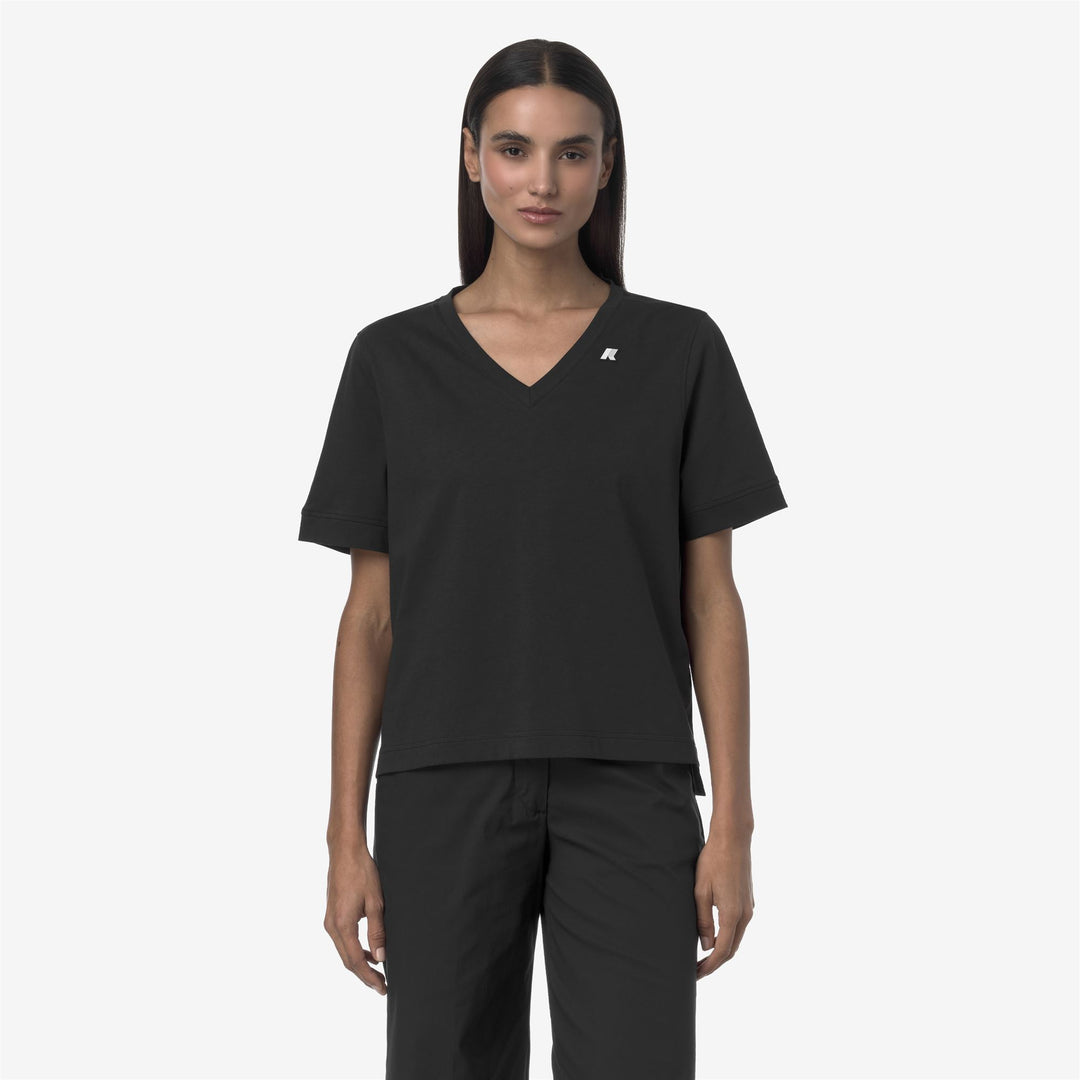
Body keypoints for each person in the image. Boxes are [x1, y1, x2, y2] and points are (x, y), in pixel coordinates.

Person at [298, 38, 788, 1080]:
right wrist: (344, 836)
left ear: (608, 165)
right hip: (442, 784)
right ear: (470, 156)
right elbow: (370, 616)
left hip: (632, 788)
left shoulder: (679, 351)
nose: (542, 181)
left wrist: (735, 826)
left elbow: (713, 601)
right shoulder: (391, 360)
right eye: (515, 149)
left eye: (573, 152)